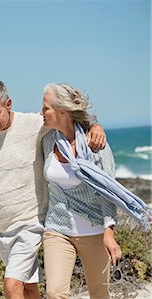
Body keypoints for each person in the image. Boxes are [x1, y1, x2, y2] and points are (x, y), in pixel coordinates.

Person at [0, 80, 106, 299]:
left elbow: (67, 121)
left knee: (12, 284)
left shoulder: (34, 125)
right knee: (28, 288)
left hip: (30, 223)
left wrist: (95, 126)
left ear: (9, 104)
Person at [40, 82, 151, 299]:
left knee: (99, 293)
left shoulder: (96, 144)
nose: (41, 112)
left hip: (93, 230)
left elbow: (107, 192)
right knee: (55, 293)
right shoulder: (46, 140)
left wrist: (108, 233)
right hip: (56, 228)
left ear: (62, 111)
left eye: (45, 108)